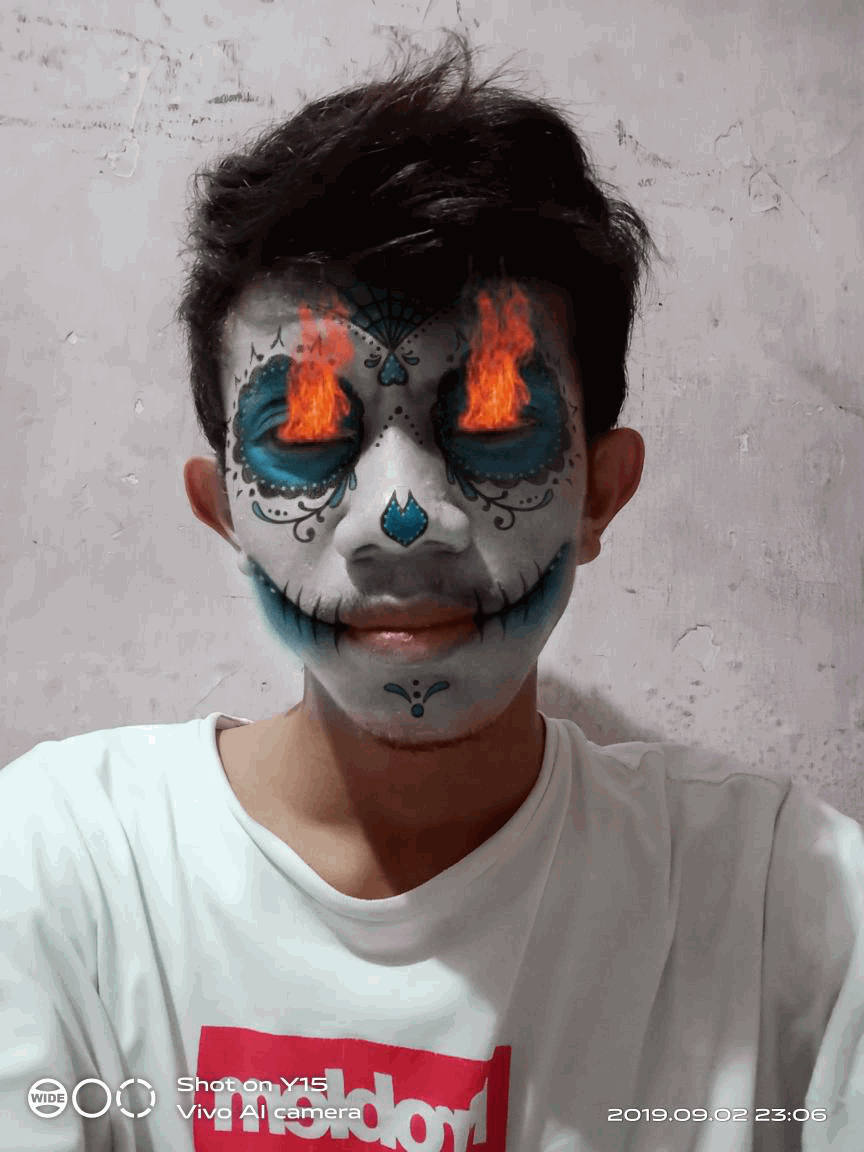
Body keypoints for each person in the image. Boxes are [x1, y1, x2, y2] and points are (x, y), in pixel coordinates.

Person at [2, 34, 862, 1152]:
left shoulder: (789, 914)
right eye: (305, 432)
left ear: (602, 492)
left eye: (496, 425)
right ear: (222, 512)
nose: (402, 517)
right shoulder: (59, 876)